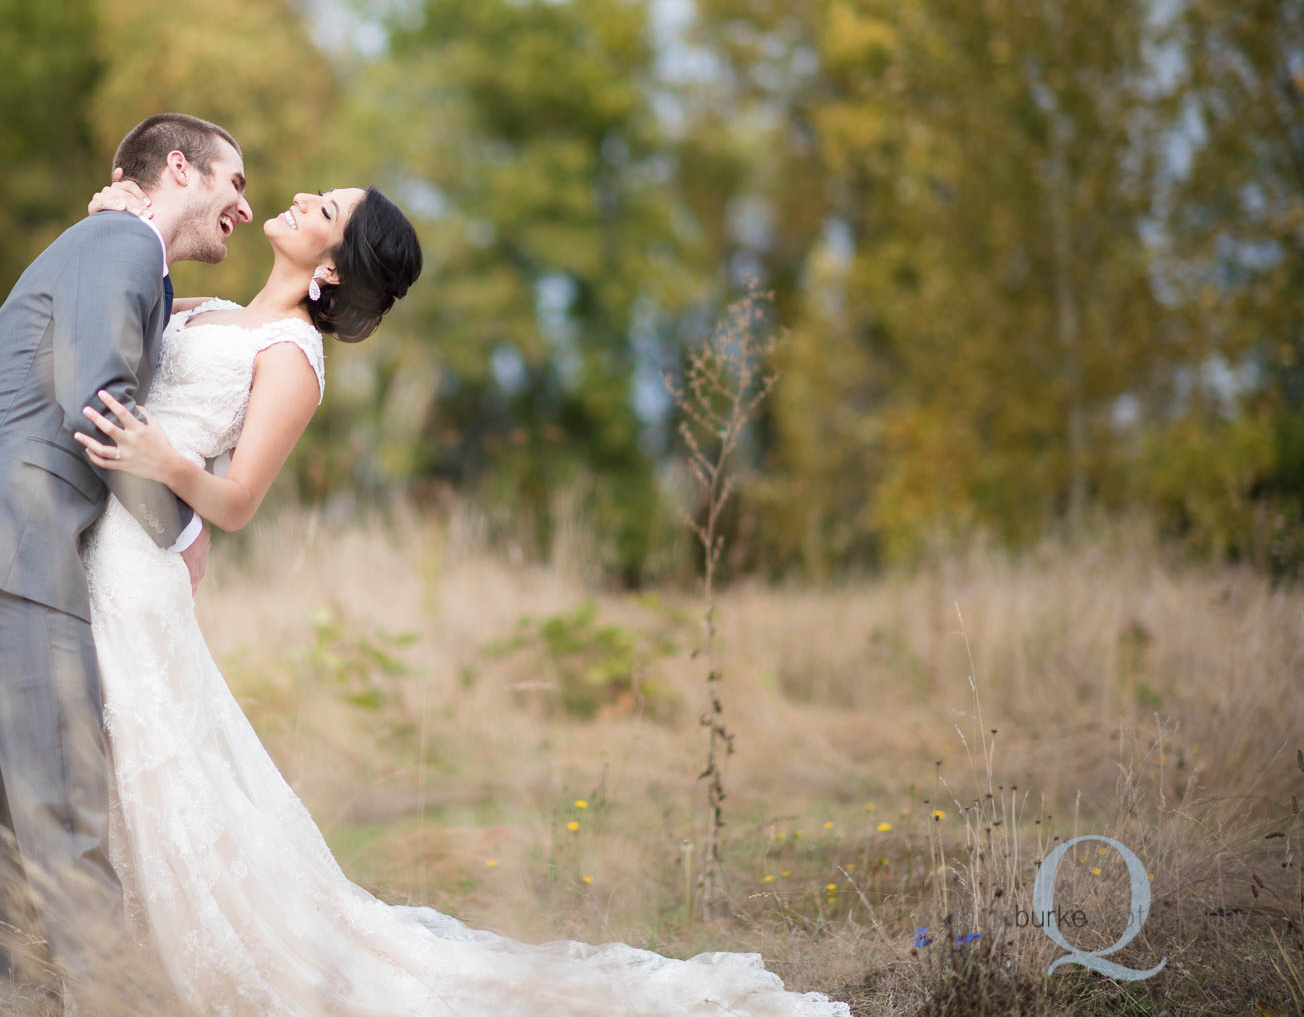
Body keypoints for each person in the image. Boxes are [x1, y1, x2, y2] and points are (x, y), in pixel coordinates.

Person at [68, 177, 851, 1016]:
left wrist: (167, 465)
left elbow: (239, 503)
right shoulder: (210, 308)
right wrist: (118, 221)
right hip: (114, 549)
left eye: (324, 210)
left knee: (158, 767)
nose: (297, 196)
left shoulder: (293, 355)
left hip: (139, 575)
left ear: (332, 270)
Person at [0, 113, 251, 1011]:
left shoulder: (118, 247)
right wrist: (182, 530)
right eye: (235, 183)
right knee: (68, 819)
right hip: (15, 539)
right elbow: (99, 405)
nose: (243, 207)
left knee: (20, 817)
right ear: (181, 167)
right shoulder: (121, 244)